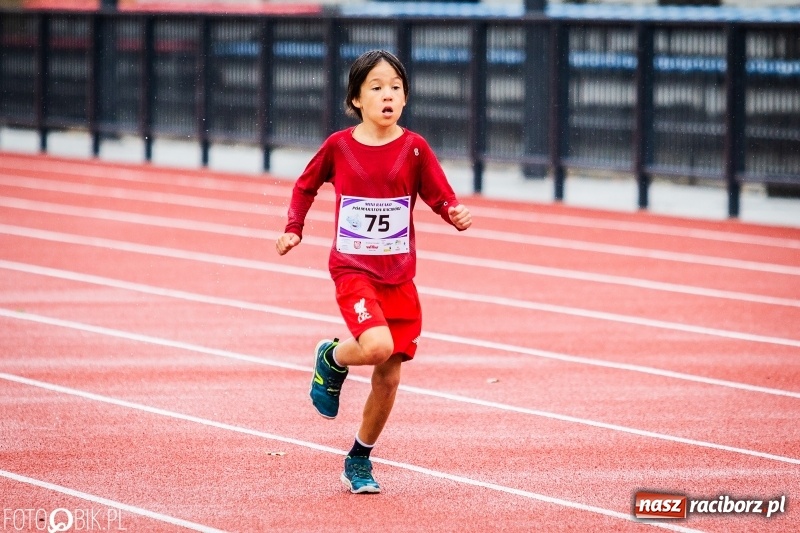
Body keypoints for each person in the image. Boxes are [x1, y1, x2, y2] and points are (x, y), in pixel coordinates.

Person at [275, 49, 472, 494]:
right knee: (377, 346)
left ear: (405, 98)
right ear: (356, 99)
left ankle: (359, 458)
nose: (388, 95)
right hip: (353, 269)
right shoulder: (339, 146)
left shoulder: (415, 147)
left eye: (396, 87)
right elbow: (305, 185)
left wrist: (453, 212)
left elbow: (439, 195)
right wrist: (293, 228)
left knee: (389, 378)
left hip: (399, 277)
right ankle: (331, 356)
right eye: (377, 87)